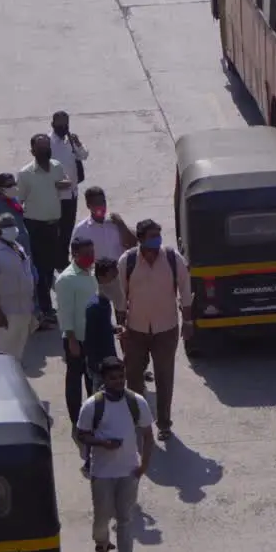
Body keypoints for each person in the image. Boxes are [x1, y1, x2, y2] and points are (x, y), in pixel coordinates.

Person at [117, 220, 191, 442]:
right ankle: (139, 419)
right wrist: (121, 326)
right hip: (136, 329)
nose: (157, 240)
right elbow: (121, 297)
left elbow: (185, 291)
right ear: (140, 239)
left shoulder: (171, 258)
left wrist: (188, 322)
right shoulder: (127, 261)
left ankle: (164, 424)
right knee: (134, 378)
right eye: (151, 236)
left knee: (164, 376)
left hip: (166, 329)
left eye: (158, 235)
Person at [75, 356, 153, 552]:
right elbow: (81, 434)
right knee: (102, 519)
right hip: (102, 473)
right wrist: (103, 443)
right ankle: (101, 544)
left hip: (129, 472)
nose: (118, 381)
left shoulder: (137, 402)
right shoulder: (92, 405)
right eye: (113, 378)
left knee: (125, 520)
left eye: (121, 376)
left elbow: (147, 435)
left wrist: (143, 465)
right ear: (103, 380)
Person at [18, 134, 72, 329]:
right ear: (32, 151)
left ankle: (46, 306)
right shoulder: (25, 174)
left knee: (50, 268)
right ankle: (44, 308)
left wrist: (64, 184)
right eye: (40, 148)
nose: (44, 150)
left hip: (53, 225)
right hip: (35, 226)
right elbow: (19, 201)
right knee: (39, 269)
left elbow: (65, 181)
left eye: (46, 146)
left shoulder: (56, 166)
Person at [70, 187, 137, 317]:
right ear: (89, 206)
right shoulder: (82, 229)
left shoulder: (114, 224)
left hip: (118, 276)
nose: (101, 206)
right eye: (97, 203)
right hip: (97, 279)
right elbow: (74, 255)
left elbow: (133, 243)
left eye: (103, 202)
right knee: (101, 315)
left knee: (122, 314)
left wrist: (121, 224)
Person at [0, 213, 37, 361]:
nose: (14, 230)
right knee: (4, 353)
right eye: (9, 228)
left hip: (24, 309)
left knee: (19, 349)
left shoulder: (18, 248)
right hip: (7, 313)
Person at [55, 237, 98, 426]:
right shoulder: (67, 279)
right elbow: (65, 312)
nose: (91, 257)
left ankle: (92, 416)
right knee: (75, 380)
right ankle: (77, 420)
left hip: (92, 337)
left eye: (92, 252)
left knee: (93, 380)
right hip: (76, 338)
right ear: (75, 254)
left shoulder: (91, 273)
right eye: (86, 254)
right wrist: (71, 339)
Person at [50, 111, 89, 271]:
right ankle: (55, 259)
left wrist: (78, 143)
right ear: (53, 124)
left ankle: (62, 258)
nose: (63, 128)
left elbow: (84, 156)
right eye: (60, 125)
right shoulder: (49, 142)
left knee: (67, 228)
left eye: (66, 124)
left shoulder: (70, 141)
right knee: (56, 230)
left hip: (72, 193)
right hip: (56, 195)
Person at [84, 258, 123, 393]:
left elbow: (102, 328)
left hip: (108, 363)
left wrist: (112, 328)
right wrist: (98, 368)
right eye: (112, 277)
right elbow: (89, 341)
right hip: (100, 368)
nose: (116, 281)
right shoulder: (94, 307)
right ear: (101, 277)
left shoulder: (104, 303)